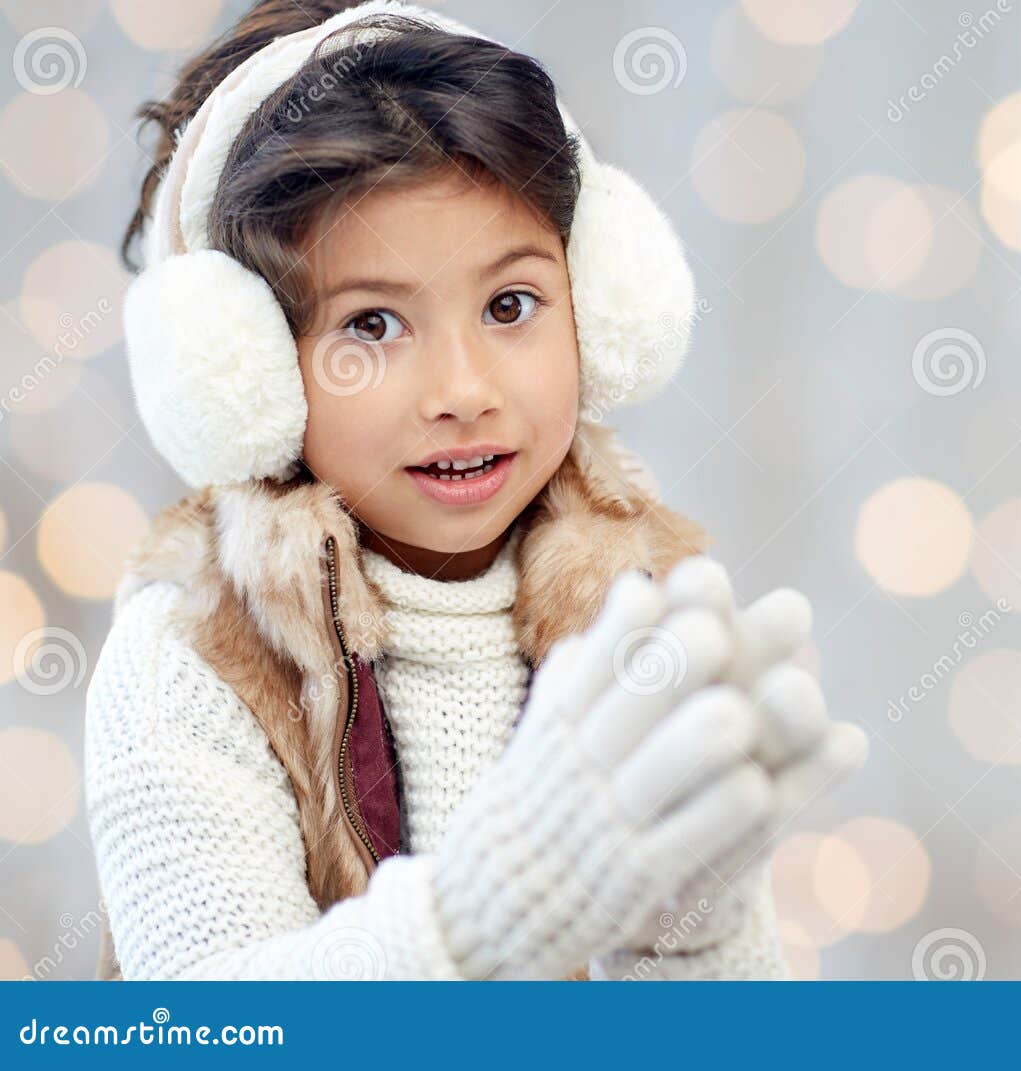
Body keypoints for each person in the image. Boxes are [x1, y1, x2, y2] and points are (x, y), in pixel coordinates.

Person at [84, 0, 867, 981]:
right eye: (371, 326)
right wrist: (486, 917)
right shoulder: (194, 649)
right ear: (247, 371)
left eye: (509, 306)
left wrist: (692, 926)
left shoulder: (637, 613)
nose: (462, 392)